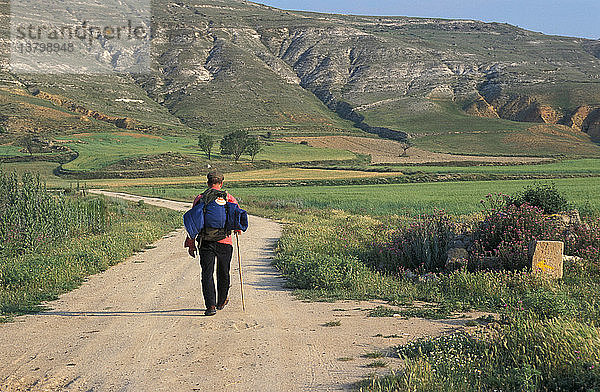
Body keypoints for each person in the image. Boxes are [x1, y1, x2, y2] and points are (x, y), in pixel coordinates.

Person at [184, 171, 241, 316]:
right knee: (223, 272)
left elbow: (194, 222)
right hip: (225, 241)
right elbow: (236, 219)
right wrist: (237, 229)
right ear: (221, 183)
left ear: (207, 182)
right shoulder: (229, 198)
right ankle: (221, 301)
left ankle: (210, 306)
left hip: (205, 242)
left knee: (207, 273)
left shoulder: (200, 198)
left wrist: (190, 241)